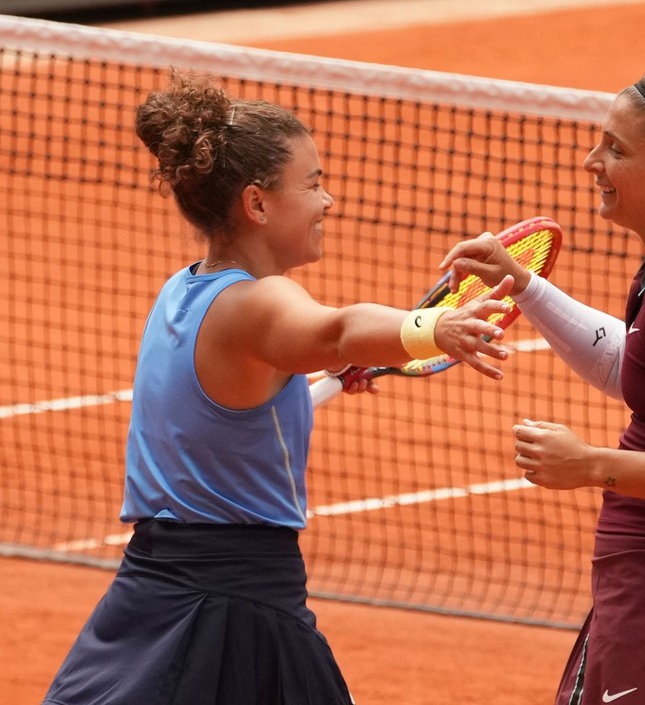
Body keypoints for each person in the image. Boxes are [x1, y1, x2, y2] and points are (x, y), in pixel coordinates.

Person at [43, 70, 514, 705]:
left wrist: (310, 377)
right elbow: (339, 330)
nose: (329, 200)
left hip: (153, 586)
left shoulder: (185, 290)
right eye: (313, 184)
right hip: (236, 605)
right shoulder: (261, 304)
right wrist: (432, 327)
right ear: (257, 204)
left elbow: (235, 402)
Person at [440, 44, 645, 705]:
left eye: (616, 150)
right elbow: (644, 373)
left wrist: (590, 464)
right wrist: (524, 286)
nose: (591, 162)